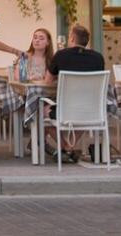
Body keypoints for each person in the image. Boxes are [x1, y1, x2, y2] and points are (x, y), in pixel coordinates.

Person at [46, 23, 106, 163]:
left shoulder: (61, 55)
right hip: (92, 111)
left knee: (40, 112)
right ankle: (69, 147)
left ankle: (65, 146)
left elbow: (47, 81)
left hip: (65, 110)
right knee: (84, 117)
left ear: (72, 38)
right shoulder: (98, 58)